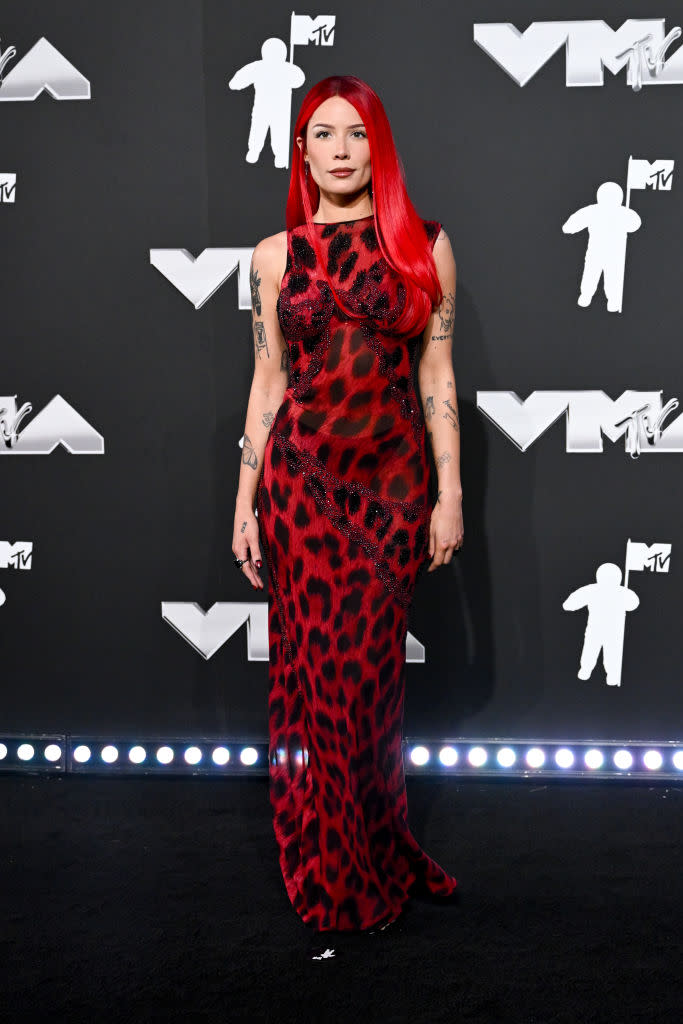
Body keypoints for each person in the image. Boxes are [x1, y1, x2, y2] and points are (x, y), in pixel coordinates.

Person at [232, 75, 463, 940]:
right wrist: (245, 503)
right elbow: (267, 385)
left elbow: (437, 376)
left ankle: (373, 839)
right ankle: (337, 870)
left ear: (379, 146)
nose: (339, 149)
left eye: (356, 134)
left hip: (393, 496)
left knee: (366, 688)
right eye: (322, 134)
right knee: (317, 686)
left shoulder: (423, 246)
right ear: (301, 151)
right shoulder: (274, 256)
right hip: (299, 494)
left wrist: (450, 494)